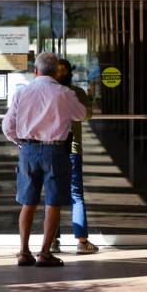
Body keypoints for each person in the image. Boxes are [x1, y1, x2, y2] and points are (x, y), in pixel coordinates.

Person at [2, 52, 87, 267]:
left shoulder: (22, 93)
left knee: (27, 202)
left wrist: (20, 143)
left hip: (28, 150)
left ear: (35, 71)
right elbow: (82, 115)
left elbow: (7, 127)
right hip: (55, 151)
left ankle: (23, 251)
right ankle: (44, 253)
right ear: (56, 71)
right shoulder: (64, 93)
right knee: (53, 203)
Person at [52, 58, 99, 255]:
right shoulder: (76, 92)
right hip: (72, 149)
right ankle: (82, 241)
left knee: (53, 196)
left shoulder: (49, 93)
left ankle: (52, 241)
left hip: (52, 149)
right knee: (76, 195)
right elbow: (87, 115)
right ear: (70, 73)